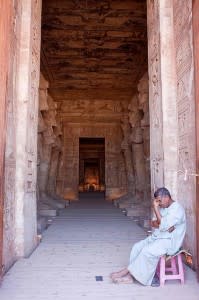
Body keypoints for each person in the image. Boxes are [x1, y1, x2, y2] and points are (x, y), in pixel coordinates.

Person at [110, 187, 186, 286]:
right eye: (157, 201)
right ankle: (130, 276)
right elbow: (155, 223)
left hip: (171, 242)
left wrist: (156, 210)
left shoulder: (177, 209)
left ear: (167, 197)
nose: (159, 203)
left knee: (146, 251)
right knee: (137, 247)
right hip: (160, 237)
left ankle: (127, 273)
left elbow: (163, 225)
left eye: (159, 200)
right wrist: (162, 224)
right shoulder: (164, 208)